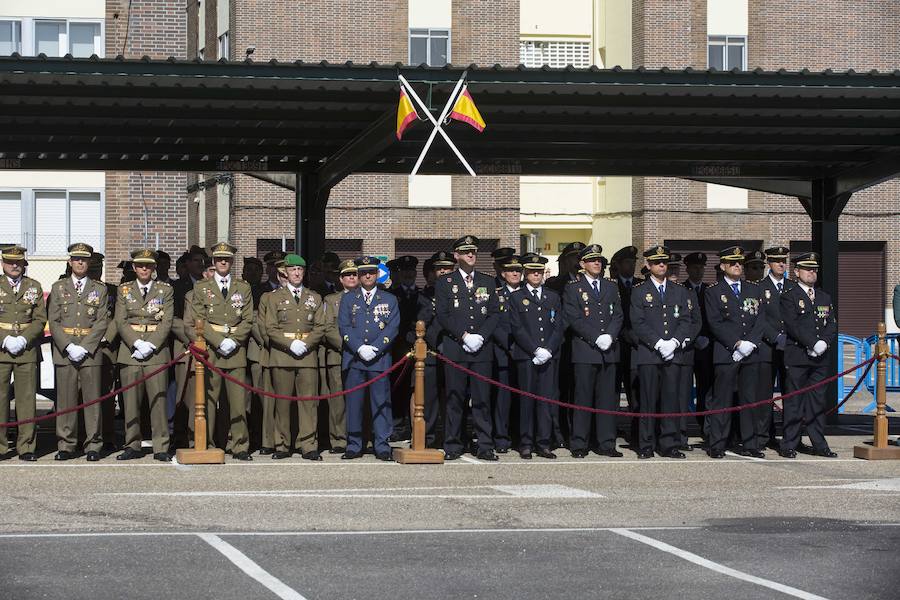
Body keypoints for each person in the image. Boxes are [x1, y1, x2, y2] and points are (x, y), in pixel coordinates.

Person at [435, 235, 500, 461]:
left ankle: (485, 444)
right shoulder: (445, 283)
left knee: (482, 399)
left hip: (481, 349)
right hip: (456, 348)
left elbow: (493, 313)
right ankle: (453, 443)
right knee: (455, 398)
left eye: (473, 251)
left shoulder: (487, 281)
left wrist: (480, 336)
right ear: (456, 256)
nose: (471, 255)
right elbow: (442, 314)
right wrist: (463, 335)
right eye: (465, 252)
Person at [191, 242, 254, 460]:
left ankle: (239, 445)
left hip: (235, 350)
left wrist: (234, 341)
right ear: (213, 262)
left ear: (232, 262)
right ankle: (206, 443)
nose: (223, 262)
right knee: (208, 401)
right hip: (212, 351)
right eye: (219, 259)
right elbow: (199, 319)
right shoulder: (201, 288)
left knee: (237, 402)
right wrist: (218, 341)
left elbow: (248, 319)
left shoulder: (243, 288)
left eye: (226, 259)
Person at [47, 243, 109, 461]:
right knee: (66, 400)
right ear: (70, 262)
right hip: (66, 351)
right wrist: (68, 346)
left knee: (92, 401)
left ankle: (93, 444)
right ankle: (66, 444)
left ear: (89, 262)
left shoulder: (100, 289)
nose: (80, 262)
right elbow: (53, 321)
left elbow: (102, 322)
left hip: (90, 351)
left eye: (84, 259)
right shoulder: (58, 287)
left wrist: (85, 346)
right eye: (76, 259)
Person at [261, 253, 326, 460]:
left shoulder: (314, 297)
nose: (297, 273)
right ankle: (281, 445)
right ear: (285, 273)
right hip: (282, 355)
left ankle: (308, 444)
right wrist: (290, 343)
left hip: (307, 355)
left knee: (308, 403)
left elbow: (320, 326)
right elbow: (270, 327)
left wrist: (305, 344)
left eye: (300, 270)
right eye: (292, 270)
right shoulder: (273, 298)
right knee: (282, 403)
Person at [704, 246, 766, 459]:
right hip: (727, 352)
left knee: (750, 400)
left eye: (739, 262)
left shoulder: (753, 289)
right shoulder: (713, 291)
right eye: (732, 263)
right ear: (723, 266)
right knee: (722, 401)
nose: (738, 266)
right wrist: (737, 344)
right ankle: (718, 443)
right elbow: (715, 322)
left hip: (751, 353)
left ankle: (750, 443)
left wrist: (750, 343)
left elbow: (760, 319)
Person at [563, 244, 624, 458]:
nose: (597, 263)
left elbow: (617, 314)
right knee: (583, 398)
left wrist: (610, 335)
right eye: (591, 260)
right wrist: (595, 337)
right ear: (582, 264)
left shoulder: (610, 286)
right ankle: (580, 443)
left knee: (607, 400)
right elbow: (573, 317)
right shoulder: (573, 287)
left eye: (599, 260)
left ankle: (606, 443)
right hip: (585, 350)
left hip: (608, 350)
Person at [630, 245, 691, 459]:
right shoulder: (639, 291)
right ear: (648, 265)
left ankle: (669, 443)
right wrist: (658, 343)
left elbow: (686, 320)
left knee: (670, 400)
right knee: (647, 401)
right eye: (656, 262)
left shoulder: (679, 291)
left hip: (673, 354)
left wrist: (673, 342)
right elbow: (638, 322)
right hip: (649, 354)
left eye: (664, 261)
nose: (662, 265)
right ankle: (646, 444)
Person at [114, 249, 174, 461]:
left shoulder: (164, 290)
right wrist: (137, 342)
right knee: (130, 402)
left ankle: (161, 445)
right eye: (140, 265)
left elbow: (167, 321)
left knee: (158, 401)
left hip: (155, 352)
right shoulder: (124, 290)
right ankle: (132, 444)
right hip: (131, 351)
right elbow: (120, 321)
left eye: (148, 265)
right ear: (134, 267)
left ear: (154, 268)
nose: (144, 269)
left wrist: (151, 344)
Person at [338, 256, 399, 461]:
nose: (367, 276)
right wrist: (359, 347)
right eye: (363, 272)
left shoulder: (389, 299)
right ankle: (354, 444)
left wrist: (375, 348)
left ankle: (382, 444)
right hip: (355, 359)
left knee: (381, 403)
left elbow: (393, 327)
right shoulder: (348, 298)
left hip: (378, 359)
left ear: (377, 274)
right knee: (354, 404)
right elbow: (344, 326)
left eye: (371, 272)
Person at [779, 252, 838, 458]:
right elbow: (792, 325)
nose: (812, 273)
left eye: (814, 269)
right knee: (794, 402)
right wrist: (812, 343)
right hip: (798, 356)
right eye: (807, 269)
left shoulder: (824, 296)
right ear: (796, 272)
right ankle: (789, 443)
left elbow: (831, 323)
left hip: (820, 357)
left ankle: (819, 444)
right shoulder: (789, 296)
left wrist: (824, 342)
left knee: (817, 402)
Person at [508, 253, 565, 459]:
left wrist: (548, 349)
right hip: (527, 356)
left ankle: (543, 442)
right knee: (527, 401)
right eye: (532, 271)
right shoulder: (516, 297)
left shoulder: (552, 296)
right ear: (525, 273)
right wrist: (534, 349)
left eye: (539, 271)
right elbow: (517, 327)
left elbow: (559, 326)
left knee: (545, 401)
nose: (536, 275)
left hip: (548, 356)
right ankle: (525, 442)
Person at [0, 246, 47, 461]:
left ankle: (26, 446)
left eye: (18, 262)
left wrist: (23, 339)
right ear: (3, 263)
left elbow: (39, 318)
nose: (14, 265)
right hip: (1, 349)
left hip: (26, 350)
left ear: (24, 264)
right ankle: (1, 448)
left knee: (26, 400)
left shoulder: (33, 286)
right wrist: (5, 339)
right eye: (10, 262)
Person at [415, 251, 455, 447]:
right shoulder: (423, 296)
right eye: (439, 268)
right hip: (430, 353)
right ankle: (428, 439)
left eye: (447, 268)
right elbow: (418, 323)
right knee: (428, 401)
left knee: (452, 398)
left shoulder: (459, 293)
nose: (443, 272)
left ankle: (452, 439)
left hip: (453, 352)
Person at [757, 246, 794, 450]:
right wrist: (775, 337)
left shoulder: (792, 287)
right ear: (769, 264)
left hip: (789, 348)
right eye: (777, 260)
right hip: (768, 348)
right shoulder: (759, 287)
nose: (781, 264)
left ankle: (790, 438)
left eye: (783, 261)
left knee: (790, 394)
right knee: (765, 395)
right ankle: (764, 436)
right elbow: (759, 318)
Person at [320, 259, 358, 454]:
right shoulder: (331, 300)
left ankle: (361, 438)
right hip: (338, 355)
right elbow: (327, 328)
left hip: (362, 357)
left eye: (354, 274)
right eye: (347, 275)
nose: (351, 277)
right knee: (338, 401)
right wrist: (349, 345)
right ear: (340, 279)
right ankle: (339, 440)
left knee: (361, 398)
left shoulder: (365, 298)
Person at [491, 252, 523, 454]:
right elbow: (494, 323)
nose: (515, 273)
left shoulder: (527, 294)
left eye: (518, 270)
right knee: (502, 400)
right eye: (511, 270)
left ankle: (520, 436)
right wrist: (510, 346)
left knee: (522, 398)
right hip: (503, 353)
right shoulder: (496, 295)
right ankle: (501, 438)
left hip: (525, 353)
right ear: (503, 274)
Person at [612, 245, 643, 446]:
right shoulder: (611, 286)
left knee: (635, 393)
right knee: (613, 393)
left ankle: (637, 431)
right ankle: (611, 428)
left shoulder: (641, 285)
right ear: (618, 265)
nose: (631, 266)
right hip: (615, 346)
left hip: (636, 348)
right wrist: (622, 331)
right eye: (627, 263)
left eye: (633, 263)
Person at [388, 254, 420, 442]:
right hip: (397, 350)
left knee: (416, 389)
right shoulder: (392, 296)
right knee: (397, 388)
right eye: (404, 271)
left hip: (419, 350)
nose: (408, 274)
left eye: (411, 271)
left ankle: (412, 425)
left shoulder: (421, 295)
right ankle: (398, 425)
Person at [682, 252, 713, 442]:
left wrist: (706, 338)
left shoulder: (710, 290)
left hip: (706, 348)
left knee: (706, 392)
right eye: (694, 267)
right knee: (683, 392)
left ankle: (706, 430)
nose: (698, 271)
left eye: (701, 268)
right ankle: (681, 431)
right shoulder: (680, 289)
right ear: (687, 269)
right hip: (687, 349)